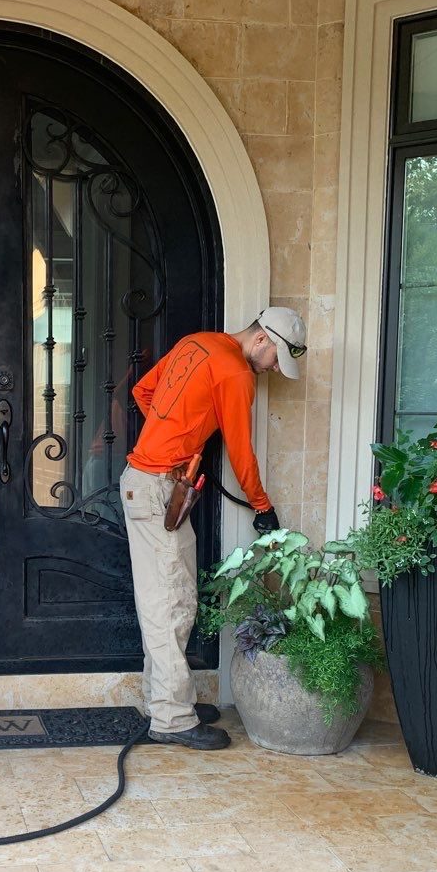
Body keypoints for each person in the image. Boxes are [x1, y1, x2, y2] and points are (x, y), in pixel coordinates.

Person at [121, 306, 306, 749]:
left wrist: (172, 438)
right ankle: (172, 719)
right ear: (261, 339)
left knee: (167, 599)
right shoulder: (236, 373)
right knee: (170, 604)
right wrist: (262, 505)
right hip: (158, 491)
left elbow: (142, 390)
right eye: (276, 358)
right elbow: (241, 451)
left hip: (148, 485)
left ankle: (164, 701)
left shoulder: (196, 342)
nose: (274, 368)